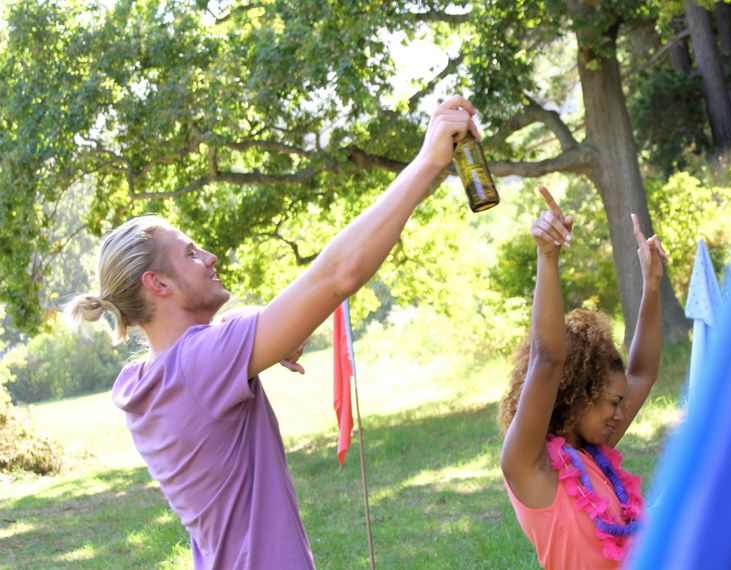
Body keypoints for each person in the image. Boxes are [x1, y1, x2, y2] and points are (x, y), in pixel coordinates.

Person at [64, 96, 481, 569]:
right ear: (157, 284)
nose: (210, 259)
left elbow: (214, 345)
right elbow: (336, 275)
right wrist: (427, 162)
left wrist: (269, 335)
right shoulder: (205, 362)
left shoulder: (141, 382)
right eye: (191, 254)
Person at [498, 186, 668, 569]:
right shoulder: (530, 466)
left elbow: (642, 372)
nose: (620, 415)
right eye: (612, 402)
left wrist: (652, 285)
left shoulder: (592, 451)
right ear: (575, 396)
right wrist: (548, 256)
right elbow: (547, 360)